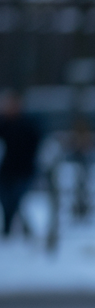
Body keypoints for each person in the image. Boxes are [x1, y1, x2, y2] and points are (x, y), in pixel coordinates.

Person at [0, 91, 42, 238]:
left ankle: (13, 230)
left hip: (24, 171)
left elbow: (36, 147)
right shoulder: (4, 124)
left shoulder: (28, 125)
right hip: (7, 172)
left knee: (15, 201)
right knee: (7, 202)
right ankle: (15, 230)